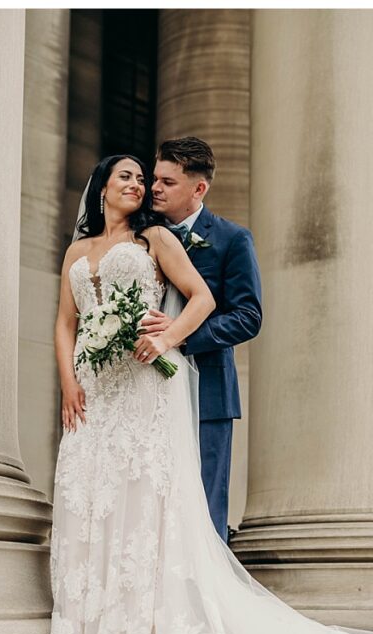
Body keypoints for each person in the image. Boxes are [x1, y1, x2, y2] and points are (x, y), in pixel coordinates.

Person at [47, 153, 373, 634]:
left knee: (156, 503)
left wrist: (166, 337)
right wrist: (69, 378)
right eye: (135, 177)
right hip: (96, 390)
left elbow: (219, 305)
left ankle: (146, 627)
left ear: (194, 186)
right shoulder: (76, 253)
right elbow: (66, 322)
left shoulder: (160, 239)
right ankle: (92, 631)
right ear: (101, 188)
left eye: (152, 179)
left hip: (155, 386)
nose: (145, 185)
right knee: (90, 497)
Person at [142, 136, 262, 542]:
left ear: (199, 189)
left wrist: (181, 337)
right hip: (146, 388)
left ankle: (210, 600)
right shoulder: (140, 237)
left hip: (207, 388)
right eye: (155, 178)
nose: (154, 188)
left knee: (206, 502)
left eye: (168, 182)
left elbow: (248, 317)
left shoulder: (232, 239)